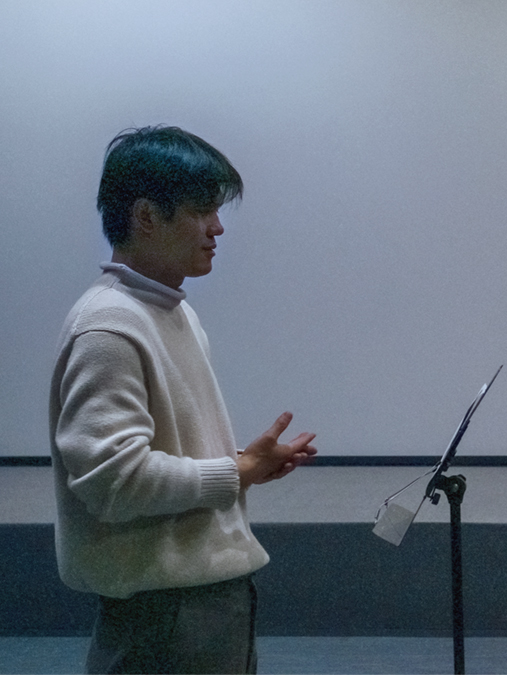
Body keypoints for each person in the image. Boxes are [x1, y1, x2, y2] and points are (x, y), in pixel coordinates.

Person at [49, 125, 317, 674]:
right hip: (163, 617)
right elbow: (113, 482)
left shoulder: (172, 311)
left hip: (195, 604)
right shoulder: (109, 327)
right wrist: (236, 472)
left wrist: (245, 465)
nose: (217, 227)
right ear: (146, 216)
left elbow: (150, 461)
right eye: (201, 211)